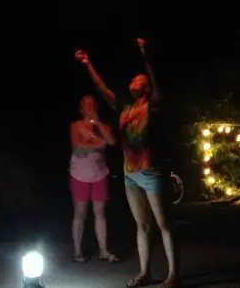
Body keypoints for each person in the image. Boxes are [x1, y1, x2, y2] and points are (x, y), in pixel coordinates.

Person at [75, 38, 179, 288]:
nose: (133, 81)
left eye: (138, 80)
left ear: (145, 88)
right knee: (142, 225)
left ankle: (174, 275)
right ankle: (145, 273)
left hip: (152, 171)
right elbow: (102, 89)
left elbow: (155, 80)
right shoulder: (125, 108)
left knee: (163, 224)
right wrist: (88, 64)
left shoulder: (152, 106)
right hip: (130, 172)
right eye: (133, 79)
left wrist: (145, 55)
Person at [69, 95, 119, 263]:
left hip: (100, 174)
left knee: (100, 213)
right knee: (80, 212)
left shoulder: (102, 126)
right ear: (81, 109)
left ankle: (104, 251)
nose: (89, 107)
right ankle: (77, 251)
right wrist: (99, 143)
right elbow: (78, 146)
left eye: (92, 104)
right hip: (79, 174)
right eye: (86, 104)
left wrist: (97, 124)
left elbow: (111, 142)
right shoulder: (76, 125)